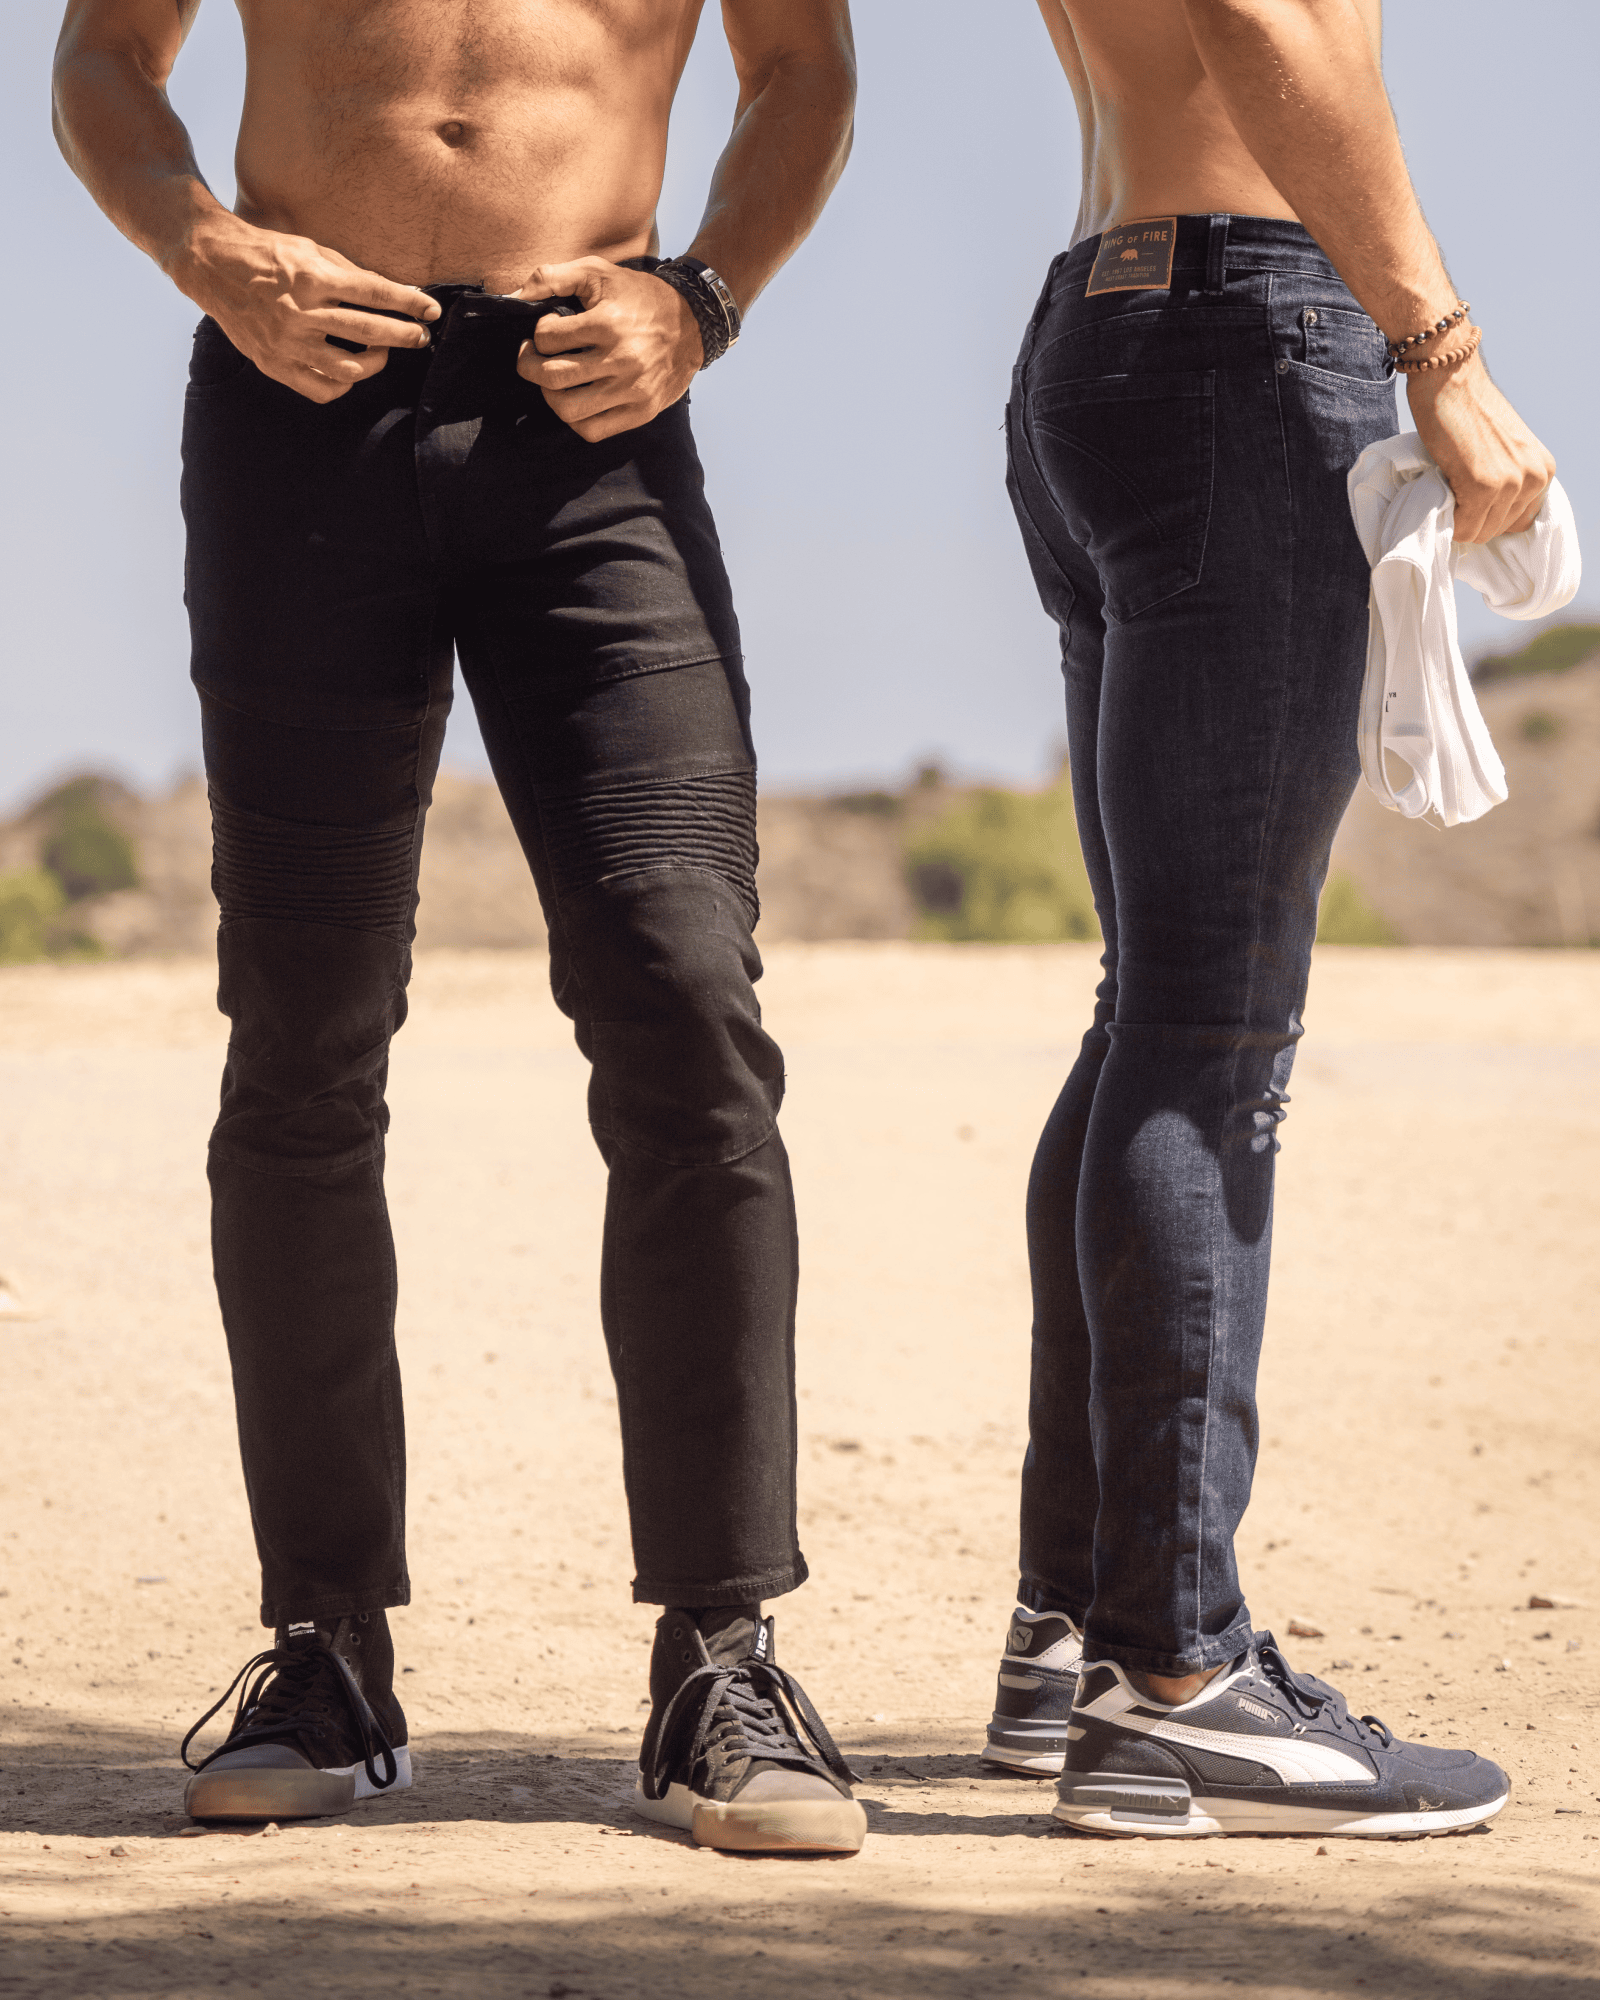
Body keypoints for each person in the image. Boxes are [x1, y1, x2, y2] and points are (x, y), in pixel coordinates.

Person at [52, 0, 868, 1856]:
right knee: (304, 1034)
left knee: (684, 1001)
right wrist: (206, 248)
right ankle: (326, 1649)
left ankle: (720, 1650)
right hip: (299, 400)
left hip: (595, 416)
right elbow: (105, 57)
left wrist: (707, 297)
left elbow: (804, 72)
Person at [980, 0, 1554, 1837]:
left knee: (1151, 1002)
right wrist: (1438, 348)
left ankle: (1080, 1622)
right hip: (1244, 335)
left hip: (1105, 325)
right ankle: (1181, 1675)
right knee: (1208, 1022)